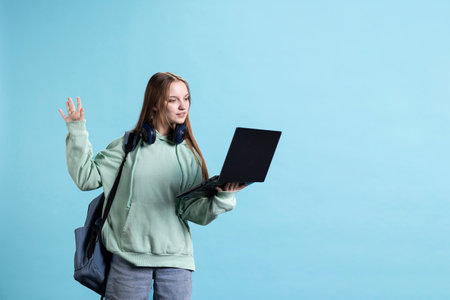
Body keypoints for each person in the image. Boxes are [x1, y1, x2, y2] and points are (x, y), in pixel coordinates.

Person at [59, 72, 245, 300]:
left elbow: (193, 212)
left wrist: (223, 197)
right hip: (128, 259)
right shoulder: (127, 147)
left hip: (177, 261)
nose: (182, 106)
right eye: (173, 100)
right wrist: (77, 131)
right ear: (156, 104)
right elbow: (86, 178)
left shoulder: (189, 156)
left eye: (186, 99)